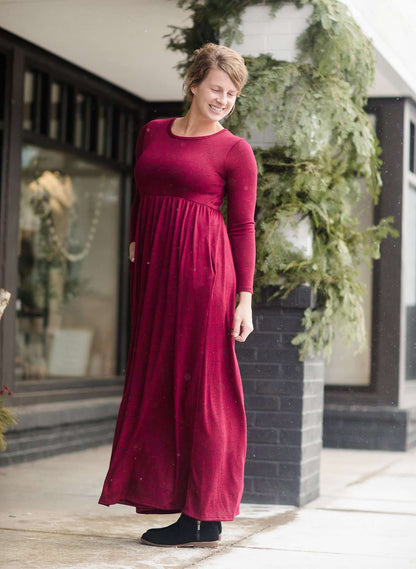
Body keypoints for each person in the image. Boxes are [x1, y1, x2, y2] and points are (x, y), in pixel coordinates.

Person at [98, 42, 258, 548]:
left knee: (205, 392)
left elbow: (243, 226)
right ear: (193, 84)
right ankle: (183, 505)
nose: (224, 99)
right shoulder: (152, 132)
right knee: (162, 383)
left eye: (232, 93)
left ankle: (204, 513)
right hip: (155, 271)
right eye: (217, 88)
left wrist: (245, 297)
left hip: (205, 275)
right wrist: (134, 242)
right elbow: (141, 194)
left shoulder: (235, 150)